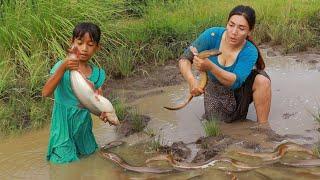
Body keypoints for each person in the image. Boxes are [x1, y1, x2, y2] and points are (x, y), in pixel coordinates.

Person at [178, 5, 271, 124]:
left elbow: (235, 82)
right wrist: (192, 81)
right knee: (217, 124)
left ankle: (263, 127)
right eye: (231, 25)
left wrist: (210, 66)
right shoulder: (212, 35)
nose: (233, 32)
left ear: (249, 31)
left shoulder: (250, 51)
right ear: (227, 23)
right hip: (215, 93)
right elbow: (184, 59)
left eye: (241, 28)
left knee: (262, 80)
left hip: (238, 92)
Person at [42, 22, 110, 164]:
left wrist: (103, 114)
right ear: (72, 42)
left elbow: (96, 102)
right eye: (79, 43)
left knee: (89, 159)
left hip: (83, 126)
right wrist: (63, 68)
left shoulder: (97, 74)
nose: (84, 49)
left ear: (98, 47)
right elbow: (46, 92)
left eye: (90, 45)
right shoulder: (61, 66)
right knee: (62, 163)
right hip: (62, 126)